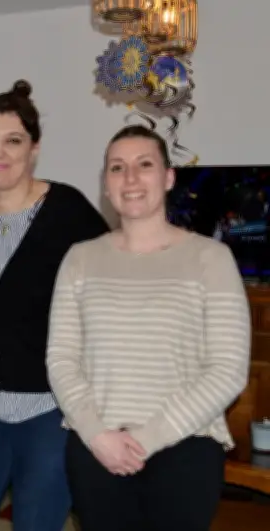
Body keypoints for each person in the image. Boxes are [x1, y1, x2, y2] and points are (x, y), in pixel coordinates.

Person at [47, 125, 251, 531]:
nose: (131, 178)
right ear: (106, 184)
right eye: (117, 168)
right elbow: (61, 359)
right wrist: (97, 434)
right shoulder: (79, 259)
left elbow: (228, 370)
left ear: (168, 177)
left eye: (144, 165)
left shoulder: (211, 258)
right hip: (98, 448)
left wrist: (147, 438)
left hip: (186, 449)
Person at [0, 80, 110, 531]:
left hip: (50, 410)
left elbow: (109, 282)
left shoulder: (67, 209)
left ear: (34, 149)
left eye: (13, 141)